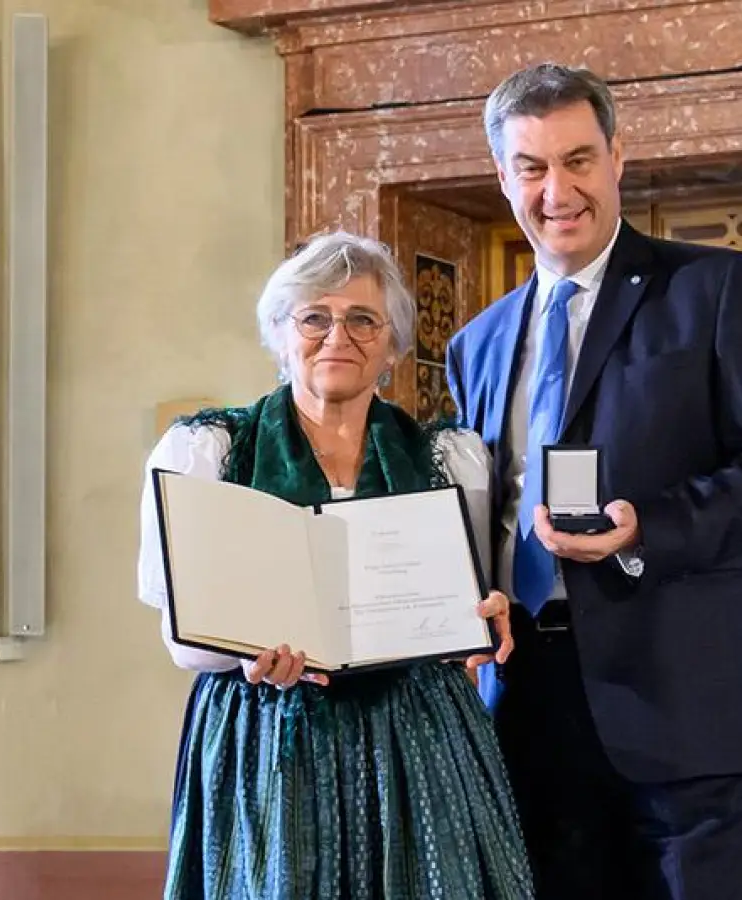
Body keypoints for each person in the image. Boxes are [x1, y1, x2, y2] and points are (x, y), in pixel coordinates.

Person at [445, 63, 742, 900]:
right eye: (531, 167)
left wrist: (646, 525)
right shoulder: (475, 343)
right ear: (502, 176)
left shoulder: (713, 288)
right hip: (529, 704)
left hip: (688, 703)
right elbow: (479, 514)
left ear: (618, 157)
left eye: (578, 159)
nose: (557, 191)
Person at [137, 230, 535, 900]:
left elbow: (466, 599)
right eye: (314, 318)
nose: (337, 337)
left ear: (393, 345)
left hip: (415, 735)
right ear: (278, 333)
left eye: (362, 320)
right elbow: (183, 637)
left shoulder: (450, 456)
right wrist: (243, 652)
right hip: (270, 732)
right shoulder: (208, 451)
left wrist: (479, 617)